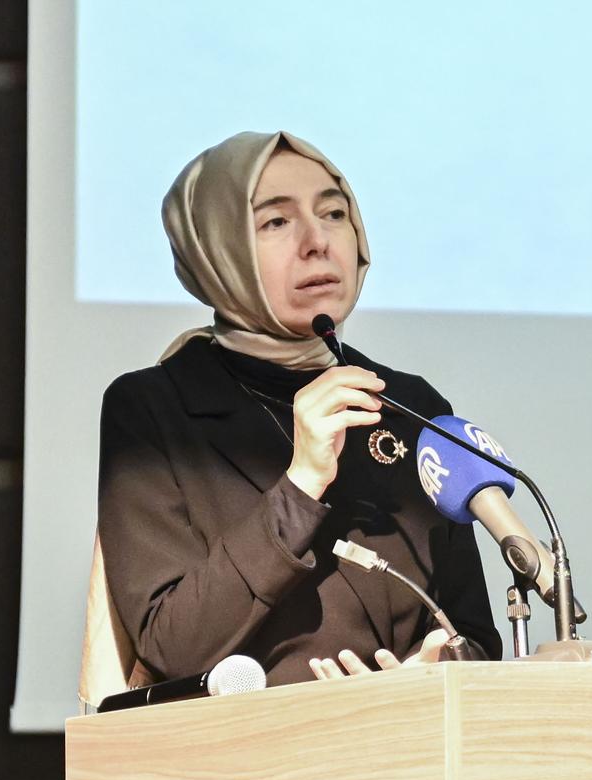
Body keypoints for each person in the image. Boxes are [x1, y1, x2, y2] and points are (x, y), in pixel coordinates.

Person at [97, 131, 502, 687]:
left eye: (334, 213)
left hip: (412, 754)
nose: (318, 242)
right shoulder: (153, 410)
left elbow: (474, 632)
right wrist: (301, 482)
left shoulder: (412, 405)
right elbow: (173, 645)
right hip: (251, 760)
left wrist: (433, 669)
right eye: (276, 222)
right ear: (217, 251)